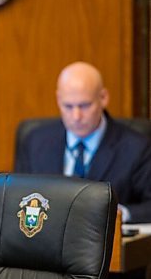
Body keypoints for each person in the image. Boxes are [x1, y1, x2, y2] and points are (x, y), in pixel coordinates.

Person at [14, 61, 151, 223]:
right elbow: (17, 198)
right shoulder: (35, 141)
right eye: (68, 106)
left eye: (84, 105)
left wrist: (121, 214)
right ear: (58, 99)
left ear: (103, 98)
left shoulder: (136, 147)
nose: (76, 116)